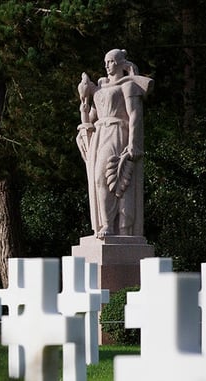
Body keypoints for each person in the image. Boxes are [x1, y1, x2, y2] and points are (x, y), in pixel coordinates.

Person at [76, 49, 153, 239]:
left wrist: (133, 143)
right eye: (105, 62)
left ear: (120, 63)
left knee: (107, 175)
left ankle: (112, 226)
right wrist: (84, 109)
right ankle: (106, 224)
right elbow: (92, 116)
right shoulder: (100, 86)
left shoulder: (128, 85)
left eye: (110, 61)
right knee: (97, 179)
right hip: (99, 134)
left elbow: (134, 114)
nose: (107, 65)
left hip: (117, 131)